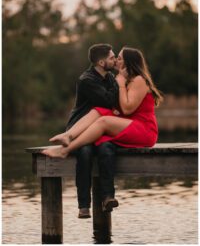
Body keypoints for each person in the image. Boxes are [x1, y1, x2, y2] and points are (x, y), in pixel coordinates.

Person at [42, 47, 163, 201]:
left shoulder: (138, 80)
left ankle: (66, 150)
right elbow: (120, 107)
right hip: (132, 124)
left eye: (119, 58)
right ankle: (68, 135)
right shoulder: (127, 80)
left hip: (145, 130)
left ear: (128, 62)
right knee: (98, 110)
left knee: (104, 121)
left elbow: (127, 109)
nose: (116, 61)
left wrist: (119, 83)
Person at [53, 43, 119, 218]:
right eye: (112, 57)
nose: (115, 60)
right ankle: (84, 206)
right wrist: (117, 86)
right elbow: (108, 101)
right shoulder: (86, 80)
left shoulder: (110, 78)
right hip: (80, 127)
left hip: (101, 127)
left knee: (107, 149)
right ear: (101, 62)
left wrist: (115, 87)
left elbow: (114, 101)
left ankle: (108, 197)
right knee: (85, 152)